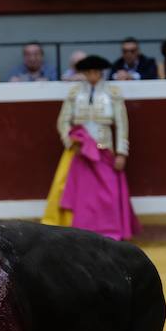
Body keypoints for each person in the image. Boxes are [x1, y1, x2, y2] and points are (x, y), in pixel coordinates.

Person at [43, 55, 139, 241]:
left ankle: (110, 231)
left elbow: (122, 124)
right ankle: (83, 232)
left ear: (101, 73)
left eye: (96, 72)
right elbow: (63, 122)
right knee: (83, 196)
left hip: (105, 149)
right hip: (80, 152)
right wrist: (71, 143)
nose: (92, 75)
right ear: (84, 73)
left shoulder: (113, 92)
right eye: (88, 72)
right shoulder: (74, 93)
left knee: (109, 194)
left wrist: (121, 152)